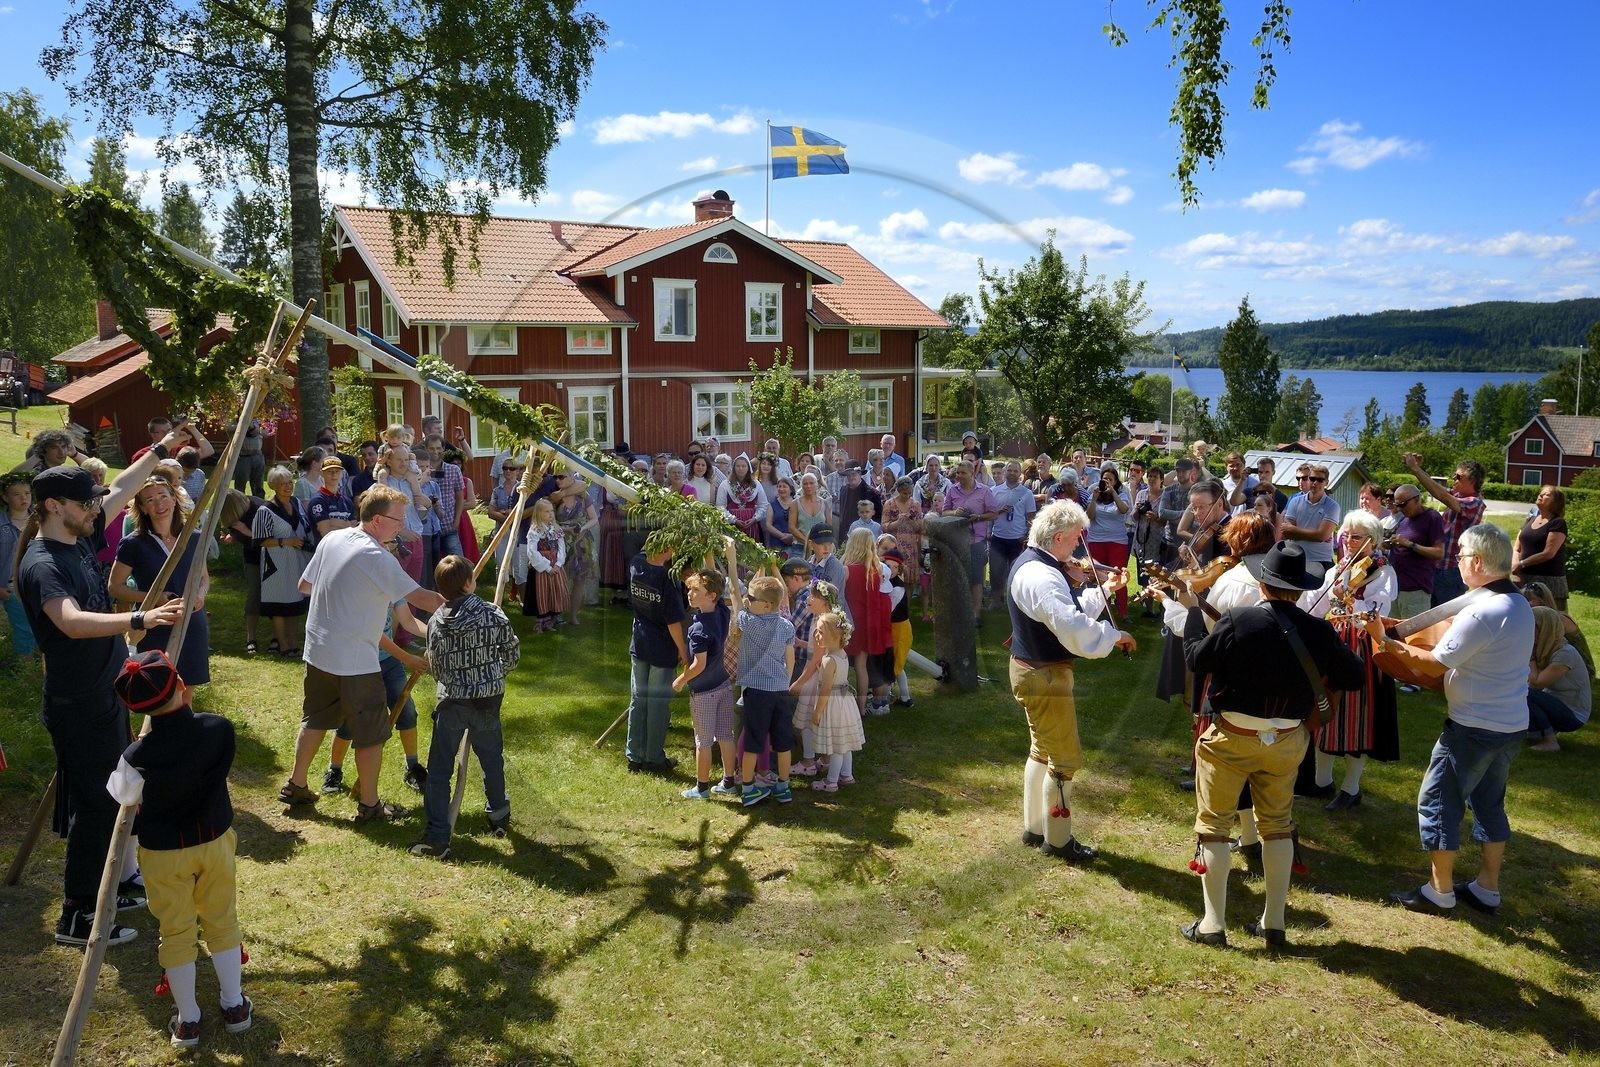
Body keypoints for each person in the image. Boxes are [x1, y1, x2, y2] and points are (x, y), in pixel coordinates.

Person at [19, 463, 186, 947]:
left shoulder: (77, 537)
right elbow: (70, 621)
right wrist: (138, 618)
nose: (97, 509)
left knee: (113, 792)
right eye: (85, 503)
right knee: (93, 806)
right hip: (79, 705)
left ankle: (116, 882)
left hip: (102, 694)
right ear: (54, 506)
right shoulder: (43, 564)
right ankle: (77, 914)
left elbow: (121, 487)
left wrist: (161, 451)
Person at [1176, 540, 1363, 948]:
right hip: (1286, 741)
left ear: (1263, 583)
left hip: (1231, 738)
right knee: (1277, 826)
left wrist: (1192, 611)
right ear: (1299, 589)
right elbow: (1354, 675)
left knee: (1214, 828)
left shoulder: (1238, 620)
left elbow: (1196, 659)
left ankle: (1212, 925)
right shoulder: (1319, 630)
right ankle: (1274, 923)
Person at [1376, 524, 1533, 918]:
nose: (1457, 562)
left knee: (1439, 800)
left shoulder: (1482, 611)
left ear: (1477, 562)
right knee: (1489, 803)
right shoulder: (1517, 603)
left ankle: (1439, 891)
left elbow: (1433, 662)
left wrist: (1385, 640)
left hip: (1473, 727)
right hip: (1510, 723)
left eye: (1461, 556)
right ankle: (1487, 888)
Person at [105, 650, 251, 1048]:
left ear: (135, 709)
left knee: (176, 929)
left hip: (164, 854)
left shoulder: (136, 756)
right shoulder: (219, 729)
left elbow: (122, 794)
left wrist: (141, 752)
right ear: (183, 686)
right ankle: (234, 1005)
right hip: (215, 841)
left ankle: (188, 1020)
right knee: (221, 919)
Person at [277, 485, 446, 822]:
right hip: (355, 661)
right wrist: (468, 608)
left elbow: (305, 586)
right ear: (377, 519)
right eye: (397, 520)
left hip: (318, 651)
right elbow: (422, 598)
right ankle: (370, 805)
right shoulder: (376, 556)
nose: (401, 526)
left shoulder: (332, 539)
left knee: (315, 719)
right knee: (369, 734)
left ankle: (296, 784)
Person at [1009, 500, 1136, 864]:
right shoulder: (1044, 576)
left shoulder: (1036, 564)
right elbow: (1070, 625)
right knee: (1063, 760)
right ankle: (1059, 841)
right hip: (1044, 676)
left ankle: (1035, 828)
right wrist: (1115, 635)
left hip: (1031, 669)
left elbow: (1069, 611)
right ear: (1058, 537)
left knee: (1041, 749)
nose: (1080, 546)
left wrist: (1105, 589)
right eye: (1077, 537)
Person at [409, 555, 520, 858]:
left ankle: (437, 835)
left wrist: (457, 681)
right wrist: (492, 674)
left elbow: (438, 668)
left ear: (440, 588)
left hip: (452, 703)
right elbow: (511, 655)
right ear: (470, 582)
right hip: (487, 701)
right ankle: (498, 815)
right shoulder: (492, 614)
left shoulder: (435, 622)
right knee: (491, 759)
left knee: (439, 769)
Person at [1300, 510, 1400, 811]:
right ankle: (1321, 781)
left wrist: (1349, 597)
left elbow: (1375, 614)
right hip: (1332, 644)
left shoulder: (1382, 572)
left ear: (1373, 541)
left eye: (1356, 537)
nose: (1348, 541)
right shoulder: (1338, 568)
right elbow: (1316, 605)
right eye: (1345, 535)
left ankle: (1351, 788)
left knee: (1357, 716)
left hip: (1361, 648)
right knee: (1324, 708)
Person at [108, 476, 211, 705]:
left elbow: (203, 578)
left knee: (186, 694)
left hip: (191, 622)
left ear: (174, 499)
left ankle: (184, 727)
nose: (159, 504)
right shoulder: (134, 543)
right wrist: (155, 598)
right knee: (159, 694)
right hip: (154, 625)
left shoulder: (193, 537)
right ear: (143, 508)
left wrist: (200, 595)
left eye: (163, 496)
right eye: (150, 500)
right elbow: (115, 587)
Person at [729, 575, 796, 806]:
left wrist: (732, 563)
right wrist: (784, 682)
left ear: (766, 605)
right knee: (783, 742)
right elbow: (790, 659)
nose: (747, 600)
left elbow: (734, 596)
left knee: (753, 741)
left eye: (752, 597)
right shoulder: (787, 626)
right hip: (780, 691)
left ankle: (748, 789)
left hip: (756, 692)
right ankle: (783, 787)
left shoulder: (749, 622)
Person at [673, 568, 739, 799]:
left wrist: (680, 680)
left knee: (703, 742)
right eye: (689, 589)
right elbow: (716, 579)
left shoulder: (698, 629)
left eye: (695, 590)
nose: (689, 594)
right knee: (725, 736)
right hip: (724, 685)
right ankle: (728, 782)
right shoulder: (722, 612)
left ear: (711, 595)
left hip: (703, 693)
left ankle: (701, 788)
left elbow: (698, 665)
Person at [624, 543, 688, 774]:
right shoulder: (667, 578)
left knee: (638, 699)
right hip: (662, 646)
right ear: (667, 549)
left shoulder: (636, 563)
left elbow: (644, 550)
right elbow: (673, 622)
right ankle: (653, 758)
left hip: (640, 642)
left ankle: (634, 756)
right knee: (657, 704)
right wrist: (682, 649)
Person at [1404, 453, 1486, 607]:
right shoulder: (1458, 495)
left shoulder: (1475, 503)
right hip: (1437, 568)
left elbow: (1440, 495)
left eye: (1459, 476)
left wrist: (1415, 469)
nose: (1454, 478)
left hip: (1450, 572)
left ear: (1472, 481)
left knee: (1444, 617)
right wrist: (1418, 469)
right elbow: (1436, 489)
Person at [252, 466, 311, 656]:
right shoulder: (265, 510)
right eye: (282, 484)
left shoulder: (296, 503)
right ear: (274, 486)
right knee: (278, 605)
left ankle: (294, 644)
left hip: (296, 561)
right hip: (275, 564)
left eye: (289, 482)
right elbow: (260, 540)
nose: (288, 487)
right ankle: (283, 645)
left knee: (294, 603)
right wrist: (287, 541)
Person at [807, 612, 867, 793]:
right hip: (845, 703)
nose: (816, 635)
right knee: (844, 742)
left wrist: (817, 712)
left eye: (820, 632)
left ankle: (831, 781)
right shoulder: (842, 654)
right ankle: (846, 775)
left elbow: (825, 690)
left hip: (832, 704)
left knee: (836, 747)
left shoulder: (828, 660)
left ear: (835, 636)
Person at [841, 527, 894, 715]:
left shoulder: (846, 570)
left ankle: (841, 707)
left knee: (841, 664)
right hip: (867, 623)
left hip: (848, 622)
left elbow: (840, 596)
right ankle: (861, 709)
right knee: (861, 666)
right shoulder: (876, 570)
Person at [1526, 605, 1590, 751]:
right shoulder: (1544, 649)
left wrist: (1531, 657)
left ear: (1545, 628)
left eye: (1532, 626)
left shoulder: (1565, 653)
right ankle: (1536, 733)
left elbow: (1536, 683)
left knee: (1524, 693)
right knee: (1519, 692)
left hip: (1574, 714)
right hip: (1555, 703)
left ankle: (1550, 741)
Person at [944, 459, 999, 624]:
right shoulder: (952, 490)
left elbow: (994, 514)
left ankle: (976, 614)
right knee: (958, 577)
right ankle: (959, 612)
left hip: (977, 541)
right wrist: (955, 513)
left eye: (963, 473)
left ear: (972, 474)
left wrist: (979, 517)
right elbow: (944, 512)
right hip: (957, 540)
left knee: (976, 579)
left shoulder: (984, 491)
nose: (959, 475)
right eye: (958, 472)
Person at [1385, 483, 1446, 619]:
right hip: (1396, 588)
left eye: (1403, 504)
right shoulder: (1404, 519)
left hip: (1415, 590)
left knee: (1412, 632)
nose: (1400, 509)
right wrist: (1389, 544)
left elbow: (1439, 552)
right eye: (1397, 505)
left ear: (1417, 500)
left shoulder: (1432, 517)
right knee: (1391, 630)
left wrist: (1409, 544)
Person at [990, 460, 1039, 613]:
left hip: (1017, 540)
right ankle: (996, 601)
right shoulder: (994, 491)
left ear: (1020, 474)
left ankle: (1015, 604)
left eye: (1015, 471)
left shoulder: (1026, 493)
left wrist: (1026, 536)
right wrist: (989, 531)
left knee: (1017, 573)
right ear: (1005, 472)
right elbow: (990, 514)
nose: (1012, 473)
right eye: (1009, 470)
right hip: (998, 537)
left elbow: (1031, 517)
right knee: (996, 571)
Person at [1084, 461, 1131, 620]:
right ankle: (1104, 610)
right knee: (1100, 577)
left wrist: (1113, 492)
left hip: (1117, 541)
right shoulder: (1094, 494)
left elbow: (1124, 510)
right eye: (1105, 479)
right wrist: (1094, 499)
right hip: (1096, 541)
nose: (1107, 482)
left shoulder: (1122, 495)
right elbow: (1089, 516)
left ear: (1116, 482)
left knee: (1118, 575)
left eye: (1110, 479)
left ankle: (1123, 612)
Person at [1511, 485, 1568, 610]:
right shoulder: (1530, 520)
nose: (1541, 495)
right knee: (1524, 614)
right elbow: (1517, 548)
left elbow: (1548, 553)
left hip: (1549, 582)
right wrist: (1516, 566)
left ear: (1556, 502)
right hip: (1524, 579)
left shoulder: (1558, 523)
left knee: (1551, 617)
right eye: (1541, 493)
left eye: (1547, 494)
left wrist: (1521, 564)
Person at [0, 471, 38, 657]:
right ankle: (24, 666)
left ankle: (39, 663)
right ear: (5, 497)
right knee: (24, 631)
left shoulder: (40, 520)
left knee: (41, 627)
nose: (24, 498)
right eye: (17, 494)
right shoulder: (2, 525)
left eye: (27, 493)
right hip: (11, 587)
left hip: (37, 584)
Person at [555, 476, 597, 626]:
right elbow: (550, 521)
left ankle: (573, 616)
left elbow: (593, 518)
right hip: (561, 542)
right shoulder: (555, 496)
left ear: (571, 477)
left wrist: (582, 528)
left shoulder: (583, 495)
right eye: (555, 477)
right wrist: (566, 529)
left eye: (561, 477)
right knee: (561, 579)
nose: (557, 480)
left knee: (580, 580)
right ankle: (557, 614)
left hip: (582, 543)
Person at [522, 498, 568, 632]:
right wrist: (547, 567)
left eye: (552, 511)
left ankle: (551, 620)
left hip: (556, 566)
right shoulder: (535, 530)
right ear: (539, 513)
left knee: (555, 592)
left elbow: (561, 548)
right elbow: (532, 552)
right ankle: (540, 623)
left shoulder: (556, 529)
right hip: (541, 569)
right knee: (541, 594)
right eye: (547, 511)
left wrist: (558, 564)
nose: (551, 514)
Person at [1280, 463, 1339, 564]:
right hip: (1295, 556)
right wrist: (1315, 535)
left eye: (1320, 480)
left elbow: (1322, 536)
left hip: (1321, 560)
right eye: (1312, 479)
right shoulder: (1295, 501)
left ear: (1326, 483)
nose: (1315, 482)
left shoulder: (1332, 506)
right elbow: (1287, 533)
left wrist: (1295, 530)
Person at [306, 456, 356, 549]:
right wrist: (346, 524)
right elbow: (325, 532)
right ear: (321, 473)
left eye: (337, 471)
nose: (334, 474)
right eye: (329, 471)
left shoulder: (347, 501)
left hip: (346, 550)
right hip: (326, 551)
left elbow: (355, 530)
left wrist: (333, 522)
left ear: (342, 474)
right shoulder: (317, 501)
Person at [1158, 459, 1199, 566]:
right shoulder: (1169, 490)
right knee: (1164, 573)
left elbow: (1198, 518)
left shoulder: (1197, 491)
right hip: (1168, 542)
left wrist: (1172, 516)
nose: (1180, 474)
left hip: (1189, 544)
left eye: (1183, 471)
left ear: (1191, 472)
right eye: (1178, 471)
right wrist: (1187, 514)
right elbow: (1162, 513)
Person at [13, 427, 91, 474]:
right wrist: (38, 455)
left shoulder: (65, 471)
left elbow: (93, 468)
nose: (61, 452)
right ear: (44, 450)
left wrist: (75, 454)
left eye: (63, 447)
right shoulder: (37, 473)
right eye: (54, 448)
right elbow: (12, 476)